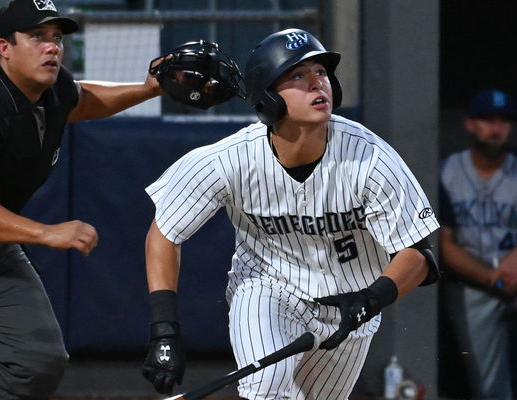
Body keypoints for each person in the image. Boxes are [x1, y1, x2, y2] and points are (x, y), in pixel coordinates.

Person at [141, 28, 440, 399]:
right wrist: (165, 329)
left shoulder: (371, 157)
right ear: (268, 96)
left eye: (320, 73)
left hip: (350, 308)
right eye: (298, 76)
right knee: (266, 389)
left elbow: (419, 252)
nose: (317, 83)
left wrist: (372, 299)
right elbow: (165, 233)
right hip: (267, 289)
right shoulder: (229, 160)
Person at [0, 0, 164, 398]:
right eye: (37, 37)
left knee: (39, 362)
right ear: (3, 48)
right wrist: (46, 232)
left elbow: (82, 100)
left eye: (57, 38)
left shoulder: (52, 90)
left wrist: (148, 88)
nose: (52, 47)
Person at [439, 88, 517, 400]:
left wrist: (509, 271)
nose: (497, 128)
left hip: (514, 275)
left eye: (504, 121)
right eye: (488, 120)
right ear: (471, 124)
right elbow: (442, 243)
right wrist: (490, 278)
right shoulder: (446, 171)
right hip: (473, 284)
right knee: (486, 385)